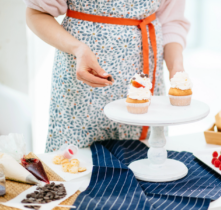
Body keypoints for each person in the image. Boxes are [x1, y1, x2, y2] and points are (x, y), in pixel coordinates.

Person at [24, 0, 190, 152]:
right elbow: (37, 13)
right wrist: (78, 48)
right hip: (84, 79)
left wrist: (176, 67)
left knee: (146, 162)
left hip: (144, 79)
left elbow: (171, 22)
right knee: (79, 167)